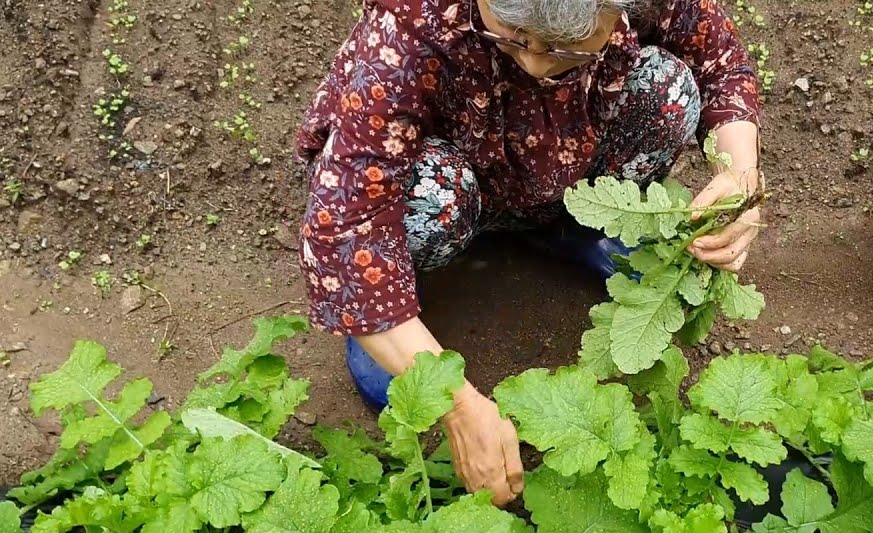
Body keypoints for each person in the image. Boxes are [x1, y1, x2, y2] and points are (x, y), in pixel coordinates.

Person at [294, 0, 764, 507]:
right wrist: (455, 403)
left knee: (667, 90)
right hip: (454, 172)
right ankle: (394, 309)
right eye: (513, 34)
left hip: (565, 157)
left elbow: (719, 59)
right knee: (426, 203)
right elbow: (346, 226)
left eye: (566, 47)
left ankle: (573, 224)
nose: (536, 62)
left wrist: (740, 176)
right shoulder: (410, 21)